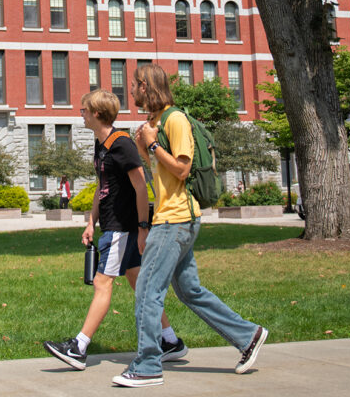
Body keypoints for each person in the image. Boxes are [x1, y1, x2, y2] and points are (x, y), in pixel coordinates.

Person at [113, 64, 268, 388]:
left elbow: (182, 169)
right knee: (190, 291)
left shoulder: (176, 119)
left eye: (134, 86)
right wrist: (145, 143)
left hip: (177, 220)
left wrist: (154, 145)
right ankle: (248, 335)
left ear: (146, 86)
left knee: (147, 289)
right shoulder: (155, 123)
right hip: (170, 218)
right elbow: (157, 169)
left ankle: (148, 364)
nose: (130, 91)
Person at [43, 89, 185, 372]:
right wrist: (90, 221)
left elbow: (141, 186)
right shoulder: (101, 144)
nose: (80, 114)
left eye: (83, 110)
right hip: (111, 224)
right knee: (136, 282)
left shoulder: (121, 144)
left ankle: (79, 347)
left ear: (97, 113)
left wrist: (143, 227)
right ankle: (170, 341)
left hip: (123, 227)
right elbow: (103, 186)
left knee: (102, 283)